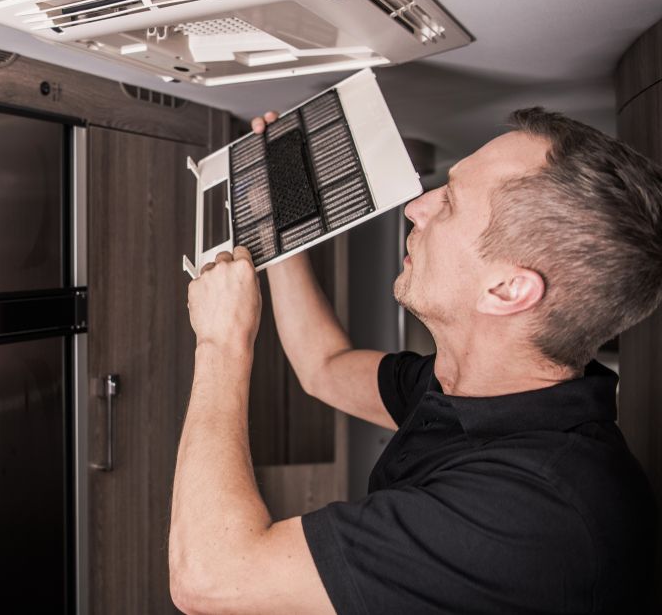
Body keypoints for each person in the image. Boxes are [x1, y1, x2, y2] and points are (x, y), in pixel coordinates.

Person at [168, 107, 662, 614]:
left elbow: (210, 578)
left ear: (508, 289)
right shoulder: (485, 386)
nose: (416, 208)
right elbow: (326, 367)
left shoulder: (533, 511)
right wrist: (276, 220)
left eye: (449, 203)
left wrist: (221, 342)